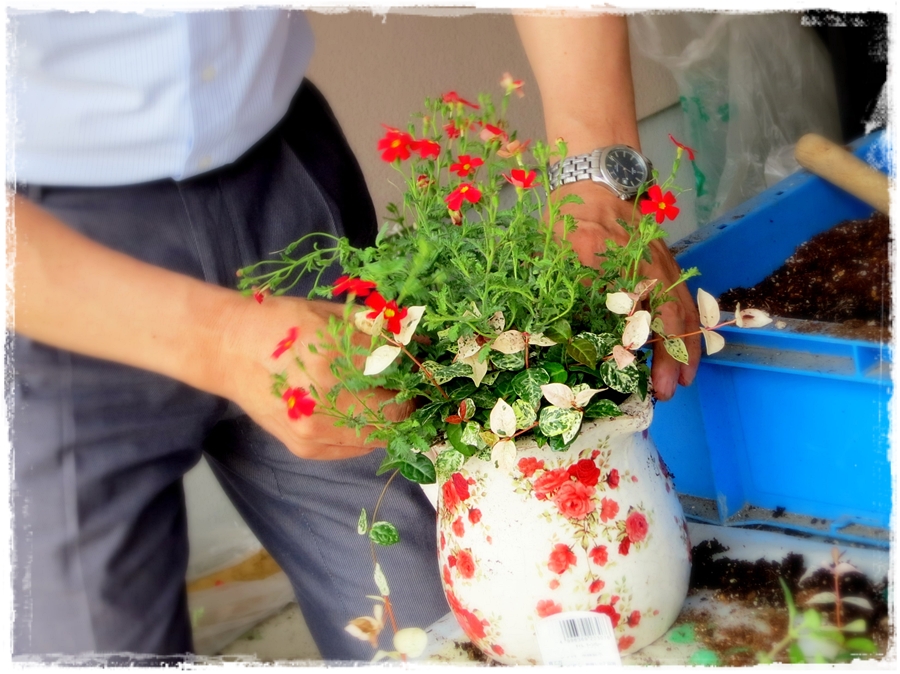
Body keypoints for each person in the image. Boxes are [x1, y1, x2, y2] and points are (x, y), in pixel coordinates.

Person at [7, 8, 700, 662]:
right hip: (50, 280)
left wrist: (596, 180)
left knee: (454, 624)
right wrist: (219, 339)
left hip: (280, 178)